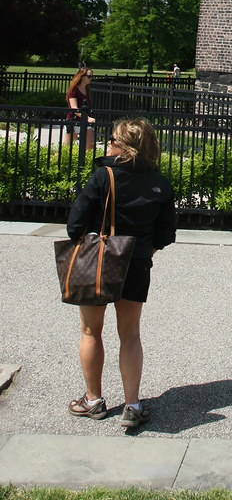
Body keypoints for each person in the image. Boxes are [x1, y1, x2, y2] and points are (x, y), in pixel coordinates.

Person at [65, 117, 176, 429]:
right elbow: (165, 234)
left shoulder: (103, 176)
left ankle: (93, 400)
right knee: (130, 335)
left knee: (90, 331)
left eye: (113, 140)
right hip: (136, 263)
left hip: (98, 262)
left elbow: (75, 225)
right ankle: (132, 404)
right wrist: (143, 251)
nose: (108, 145)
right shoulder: (159, 183)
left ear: (125, 147)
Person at [65, 67, 96, 151]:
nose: (91, 79)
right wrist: (87, 118)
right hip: (74, 121)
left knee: (89, 147)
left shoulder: (87, 89)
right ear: (82, 76)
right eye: (89, 76)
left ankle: (86, 163)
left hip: (85, 121)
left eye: (92, 76)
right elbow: (74, 108)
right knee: (66, 148)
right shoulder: (74, 90)